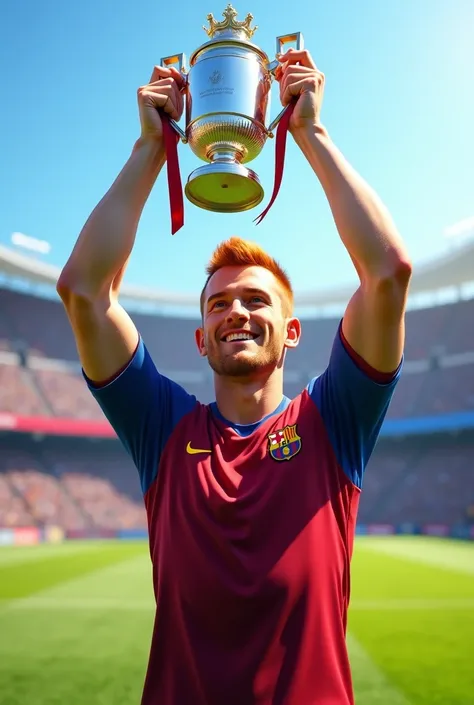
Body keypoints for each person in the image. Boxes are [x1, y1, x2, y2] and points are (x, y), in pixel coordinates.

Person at [57, 48, 411, 705]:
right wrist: (150, 149)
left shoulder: (335, 421)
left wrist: (310, 133)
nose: (236, 312)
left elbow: (387, 272)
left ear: (294, 329)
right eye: (218, 303)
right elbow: (84, 290)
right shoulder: (160, 427)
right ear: (201, 336)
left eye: (255, 299)